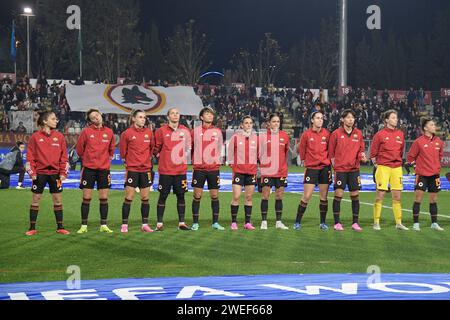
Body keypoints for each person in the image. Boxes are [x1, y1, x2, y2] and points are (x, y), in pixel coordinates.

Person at [25, 111, 70, 236]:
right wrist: (32, 173)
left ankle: (60, 227)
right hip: (39, 173)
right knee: (36, 199)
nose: (56, 121)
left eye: (56, 119)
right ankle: (32, 228)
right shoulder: (35, 137)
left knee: (57, 199)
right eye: (53, 118)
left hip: (55, 174)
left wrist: (63, 173)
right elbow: (30, 157)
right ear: (45, 121)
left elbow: (64, 158)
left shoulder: (60, 137)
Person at [76, 109, 116, 234]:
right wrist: (89, 159)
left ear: (101, 115)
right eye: (93, 117)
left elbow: (111, 150)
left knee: (104, 198)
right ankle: (84, 225)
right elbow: (79, 150)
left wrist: (104, 161)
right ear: (90, 121)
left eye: (97, 115)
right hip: (89, 169)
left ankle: (103, 225)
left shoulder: (109, 132)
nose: (96, 118)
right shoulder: (86, 132)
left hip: (104, 170)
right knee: (86, 197)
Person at [328, 109, 367, 232]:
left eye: (352, 117)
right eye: (348, 117)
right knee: (338, 195)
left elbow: (361, 150)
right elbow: (331, 152)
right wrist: (335, 166)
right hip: (340, 170)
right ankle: (337, 223)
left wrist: (362, 157)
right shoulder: (336, 134)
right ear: (343, 119)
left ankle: (355, 223)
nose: (351, 119)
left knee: (355, 196)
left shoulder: (358, 134)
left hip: (354, 170)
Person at [153, 108, 191, 231]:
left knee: (181, 196)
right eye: (172, 113)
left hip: (180, 171)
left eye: (177, 113)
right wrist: (165, 158)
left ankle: (181, 223)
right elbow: (156, 149)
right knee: (163, 196)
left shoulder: (185, 130)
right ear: (168, 116)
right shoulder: (161, 131)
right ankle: (159, 223)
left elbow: (187, 148)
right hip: (166, 170)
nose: (175, 115)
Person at [370, 110, 409, 231]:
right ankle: (376, 222)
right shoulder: (379, 134)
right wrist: (377, 165)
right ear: (386, 120)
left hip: (397, 168)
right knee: (380, 195)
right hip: (383, 167)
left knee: (397, 197)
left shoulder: (400, 134)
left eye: (396, 117)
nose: (396, 119)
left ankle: (399, 223)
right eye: (393, 118)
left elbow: (401, 150)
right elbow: (373, 153)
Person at [294, 111, 332, 231]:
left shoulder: (327, 134)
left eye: (322, 118)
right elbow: (302, 150)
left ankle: (322, 223)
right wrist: (305, 161)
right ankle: (297, 222)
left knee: (323, 197)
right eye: (317, 118)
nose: (320, 120)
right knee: (307, 196)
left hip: (325, 168)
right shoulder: (306, 135)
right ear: (312, 120)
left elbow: (330, 151)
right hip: (311, 168)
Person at [119, 110, 155, 233]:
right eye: (140, 117)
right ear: (133, 119)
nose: (143, 119)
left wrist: (145, 161)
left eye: (144, 117)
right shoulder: (127, 133)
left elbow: (151, 150)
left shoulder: (149, 133)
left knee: (145, 198)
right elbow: (123, 152)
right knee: (129, 197)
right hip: (132, 169)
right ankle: (124, 225)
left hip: (145, 169)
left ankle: (144, 224)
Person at [407, 118, 445, 231]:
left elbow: (440, 156)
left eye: (434, 125)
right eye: (432, 125)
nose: (434, 127)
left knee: (433, 200)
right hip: (422, 175)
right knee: (418, 198)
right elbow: (410, 157)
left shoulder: (439, 141)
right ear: (425, 128)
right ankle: (416, 224)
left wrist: (436, 168)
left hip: (435, 175)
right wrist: (416, 167)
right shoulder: (418, 142)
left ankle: (434, 223)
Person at [191, 107, 225, 231]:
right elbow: (191, 147)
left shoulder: (217, 131)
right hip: (199, 168)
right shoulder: (195, 131)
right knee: (197, 195)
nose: (210, 116)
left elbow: (220, 147)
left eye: (211, 114)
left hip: (213, 168)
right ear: (201, 117)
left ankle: (215, 222)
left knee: (215, 196)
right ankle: (195, 223)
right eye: (207, 114)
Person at [258, 113, 289, 230]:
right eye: (274, 121)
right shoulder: (263, 137)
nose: (276, 123)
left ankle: (278, 222)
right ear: (269, 123)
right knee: (265, 196)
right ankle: (264, 222)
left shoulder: (284, 136)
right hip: (267, 171)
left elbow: (285, 153)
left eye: (278, 122)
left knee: (279, 196)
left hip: (281, 171)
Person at [228, 116, 258, 231]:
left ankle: (247, 223)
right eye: (246, 123)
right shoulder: (235, 137)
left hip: (251, 172)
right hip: (238, 172)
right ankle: (234, 222)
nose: (249, 125)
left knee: (249, 197)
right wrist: (233, 168)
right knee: (236, 196)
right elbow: (230, 154)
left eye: (250, 123)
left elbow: (259, 154)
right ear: (242, 125)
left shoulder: (256, 138)